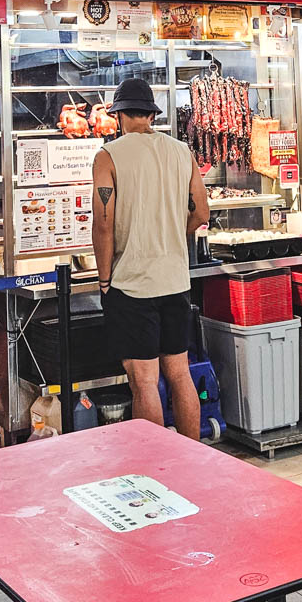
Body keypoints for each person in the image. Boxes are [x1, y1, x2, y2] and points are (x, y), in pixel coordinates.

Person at [91, 77, 209, 439]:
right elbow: (202, 213)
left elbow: (103, 225)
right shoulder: (181, 151)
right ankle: (193, 456)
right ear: (151, 115)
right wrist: (174, 232)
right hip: (175, 280)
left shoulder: (108, 156)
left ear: (120, 114)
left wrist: (104, 278)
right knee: (179, 372)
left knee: (144, 380)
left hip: (132, 286)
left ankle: (154, 467)